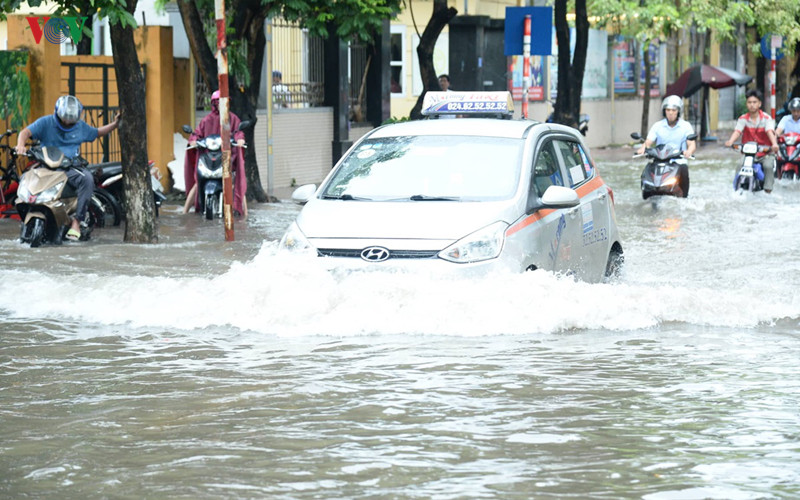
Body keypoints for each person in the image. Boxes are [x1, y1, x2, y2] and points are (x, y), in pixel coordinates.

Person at [15, 95, 120, 241]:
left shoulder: (81, 126)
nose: (68, 124)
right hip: (47, 167)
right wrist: (21, 145)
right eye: (65, 121)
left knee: (87, 179)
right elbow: (25, 133)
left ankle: (76, 222)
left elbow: (97, 132)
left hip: (70, 168)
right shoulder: (46, 122)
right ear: (58, 114)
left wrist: (115, 124)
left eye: (71, 122)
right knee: (26, 179)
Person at [183, 90, 247, 217]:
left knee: (235, 185)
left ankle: (245, 216)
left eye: (224, 102)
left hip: (226, 157)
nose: (221, 104)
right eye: (218, 102)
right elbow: (196, 134)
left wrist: (240, 139)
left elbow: (238, 132)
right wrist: (193, 141)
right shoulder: (206, 120)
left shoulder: (233, 118)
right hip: (208, 158)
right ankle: (184, 213)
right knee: (197, 184)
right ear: (213, 103)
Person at [637, 95, 696, 195]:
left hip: (678, 161)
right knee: (645, 172)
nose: (671, 113)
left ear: (678, 111)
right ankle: (646, 196)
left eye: (673, 110)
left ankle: (684, 197)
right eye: (668, 110)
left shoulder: (685, 126)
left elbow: (692, 144)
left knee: (684, 171)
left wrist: (689, 152)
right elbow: (648, 142)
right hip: (659, 161)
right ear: (664, 111)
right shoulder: (658, 126)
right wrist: (642, 149)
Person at [725, 89, 779, 194]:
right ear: (746, 104)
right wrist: (730, 141)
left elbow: (769, 131)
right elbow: (737, 131)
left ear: (759, 104)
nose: (752, 105)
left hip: (765, 153)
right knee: (739, 165)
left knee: (768, 166)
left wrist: (774, 144)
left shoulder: (767, 118)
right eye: (749, 102)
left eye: (754, 102)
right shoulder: (743, 119)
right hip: (748, 155)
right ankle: (735, 189)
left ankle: (768, 190)